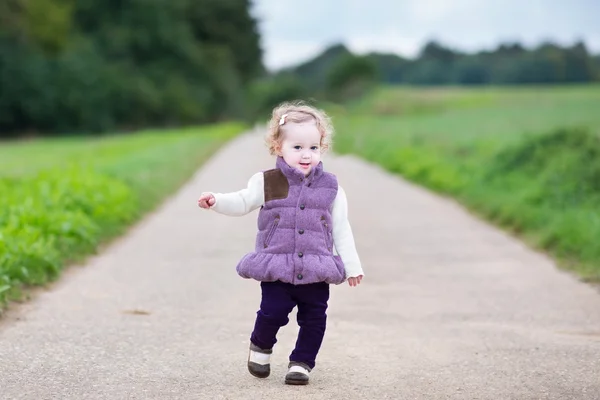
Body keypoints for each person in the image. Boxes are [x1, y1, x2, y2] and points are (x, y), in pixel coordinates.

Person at [197, 101, 364, 385]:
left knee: (314, 318)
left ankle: (301, 363)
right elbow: (241, 201)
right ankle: (261, 346)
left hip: (316, 267)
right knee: (272, 312)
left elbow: (341, 228)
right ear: (278, 146)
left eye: (313, 147)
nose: (306, 155)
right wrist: (217, 200)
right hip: (277, 265)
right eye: (297, 147)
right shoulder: (267, 182)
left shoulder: (331, 188)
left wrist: (352, 266)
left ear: (322, 147)